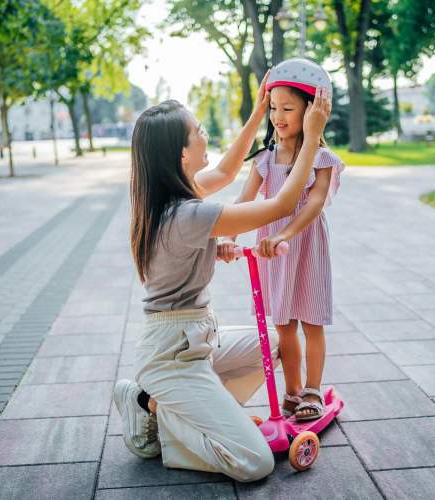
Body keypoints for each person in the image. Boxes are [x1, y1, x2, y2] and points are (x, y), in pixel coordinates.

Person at [114, 69, 332, 482]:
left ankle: (178, 408)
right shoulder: (187, 210)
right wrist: (312, 134)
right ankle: (151, 405)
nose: (205, 133)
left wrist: (255, 114)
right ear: (182, 153)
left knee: (275, 344)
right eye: (198, 130)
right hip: (172, 353)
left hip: (196, 336)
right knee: (255, 463)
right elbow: (283, 204)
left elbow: (230, 173)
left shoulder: (173, 192)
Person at [221, 58, 344, 422]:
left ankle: (312, 391)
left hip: (305, 248)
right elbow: (243, 202)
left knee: (311, 323)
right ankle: (291, 393)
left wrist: (283, 234)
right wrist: (226, 237)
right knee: (283, 326)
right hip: (272, 253)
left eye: (288, 108)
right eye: (274, 107)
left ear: (312, 111)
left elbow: (315, 203)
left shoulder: (322, 158)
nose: (278, 115)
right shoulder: (264, 159)